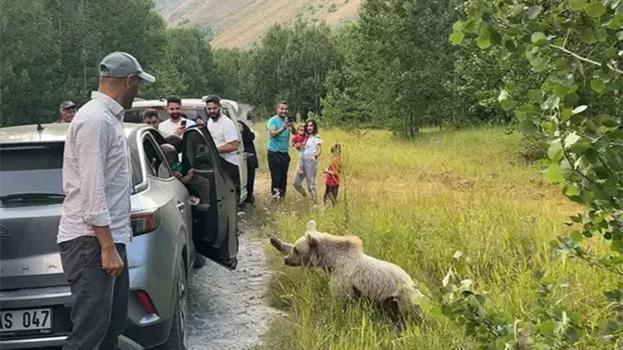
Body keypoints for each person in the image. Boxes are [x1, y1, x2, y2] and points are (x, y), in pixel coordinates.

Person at [57, 51, 155, 350]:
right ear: (128, 80)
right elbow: (92, 190)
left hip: (107, 241)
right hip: (91, 243)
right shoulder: (95, 120)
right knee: (88, 338)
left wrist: (113, 245)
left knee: (110, 330)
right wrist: (107, 247)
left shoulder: (108, 119)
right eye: (138, 83)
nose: (138, 91)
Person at [204, 95, 241, 201]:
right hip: (216, 163)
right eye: (209, 109)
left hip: (229, 164)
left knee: (231, 197)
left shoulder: (227, 123)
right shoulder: (210, 122)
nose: (212, 111)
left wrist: (213, 150)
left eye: (214, 108)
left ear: (219, 107)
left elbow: (233, 145)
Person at [267, 100, 295, 199]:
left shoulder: (287, 120)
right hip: (274, 152)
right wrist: (283, 127)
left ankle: (282, 197)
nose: (284, 111)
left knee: (283, 176)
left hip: (284, 153)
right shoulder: (272, 120)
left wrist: (292, 126)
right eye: (282, 108)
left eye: (286, 109)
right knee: (276, 176)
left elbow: (295, 134)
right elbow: (273, 134)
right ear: (277, 109)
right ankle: (275, 197)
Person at [293, 120, 322, 203]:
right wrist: (296, 146)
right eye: (308, 125)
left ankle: (315, 203)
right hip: (301, 161)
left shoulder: (316, 136)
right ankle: (305, 195)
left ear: (314, 127)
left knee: (311, 185)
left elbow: (319, 150)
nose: (309, 127)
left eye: (311, 125)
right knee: (296, 183)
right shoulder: (303, 135)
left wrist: (315, 155)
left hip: (310, 161)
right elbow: (298, 146)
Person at [238, 120, 258, 203]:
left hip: (248, 157)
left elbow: (249, 137)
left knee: (250, 176)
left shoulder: (239, 125)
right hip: (245, 156)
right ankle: (248, 195)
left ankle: (249, 195)